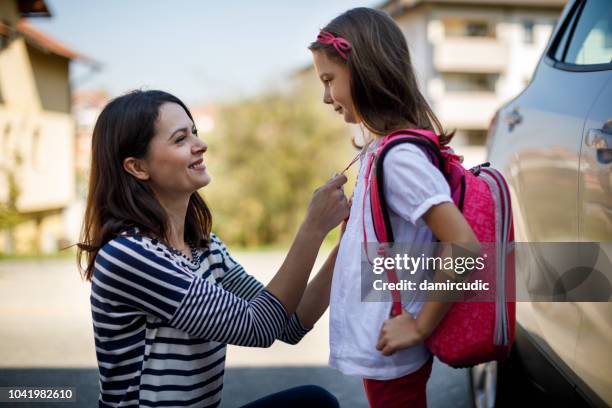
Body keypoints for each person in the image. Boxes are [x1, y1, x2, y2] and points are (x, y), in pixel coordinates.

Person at [77, 89, 348, 407]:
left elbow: (289, 323)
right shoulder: (130, 256)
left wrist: (346, 247)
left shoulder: (203, 246)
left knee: (313, 402)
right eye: (180, 139)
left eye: (195, 132)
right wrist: (313, 228)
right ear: (137, 167)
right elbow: (258, 327)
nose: (200, 145)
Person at [309, 8, 479, 408]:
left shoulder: (399, 160)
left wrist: (420, 325)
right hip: (383, 339)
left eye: (329, 80)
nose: (324, 96)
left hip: (394, 341)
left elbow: (464, 246)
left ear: (365, 71)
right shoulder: (378, 151)